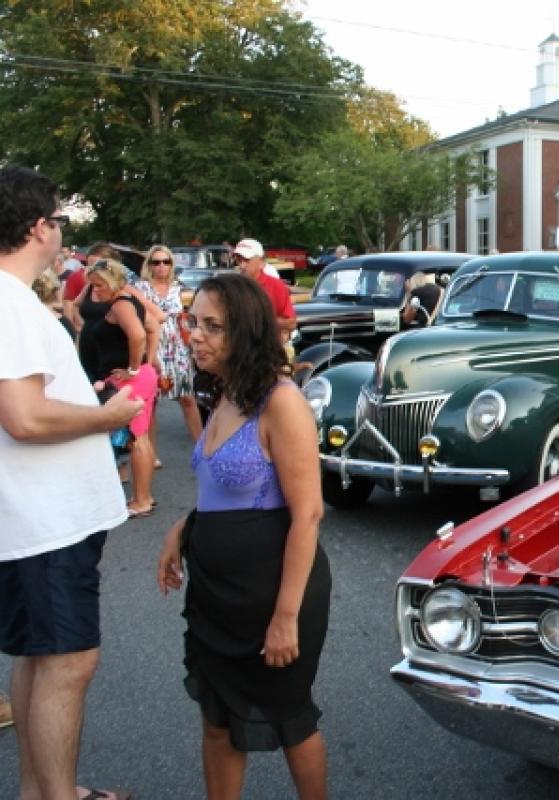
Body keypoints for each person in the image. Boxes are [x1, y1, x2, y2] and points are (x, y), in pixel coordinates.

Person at [156, 272, 331, 799]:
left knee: (289, 718)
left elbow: (308, 515)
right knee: (216, 718)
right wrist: (182, 528)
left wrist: (284, 618)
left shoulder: (281, 401)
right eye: (194, 322)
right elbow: (223, 489)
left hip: (271, 592)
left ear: (247, 332)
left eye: (214, 326)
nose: (196, 335)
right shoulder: (224, 391)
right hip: (215, 591)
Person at [0, 164, 142, 800]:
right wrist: (107, 416)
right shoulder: (8, 306)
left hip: (35, 521)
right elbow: (25, 418)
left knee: (38, 657)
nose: (63, 231)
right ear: (38, 227)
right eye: (59, 219)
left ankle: (42, 790)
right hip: (44, 524)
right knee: (67, 662)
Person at [79, 258, 160, 517]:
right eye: (93, 286)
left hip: (131, 378)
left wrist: (134, 368)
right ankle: (143, 497)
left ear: (113, 281)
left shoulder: (122, 303)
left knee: (136, 438)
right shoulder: (127, 299)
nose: (96, 291)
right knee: (140, 437)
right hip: (138, 376)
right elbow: (152, 325)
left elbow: (138, 334)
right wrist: (148, 362)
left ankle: (141, 500)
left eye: (100, 285)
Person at [136, 245, 203, 443]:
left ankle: (202, 448)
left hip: (178, 349)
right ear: (149, 265)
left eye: (166, 262)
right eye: (156, 262)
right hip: (153, 346)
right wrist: (149, 353)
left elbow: (190, 318)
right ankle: (150, 453)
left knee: (188, 398)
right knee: (152, 402)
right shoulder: (141, 288)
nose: (161, 266)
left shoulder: (178, 288)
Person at [232, 238, 296, 341]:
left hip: (268, 350)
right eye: (239, 260)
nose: (242, 265)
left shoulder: (276, 286)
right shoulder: (232, 287)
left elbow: (291, 323)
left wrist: (262, 321)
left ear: (261, 262)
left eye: (246, 260)